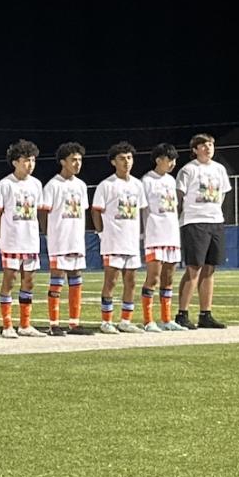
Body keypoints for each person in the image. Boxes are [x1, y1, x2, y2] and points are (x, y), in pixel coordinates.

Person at [91, 141, 147, 334]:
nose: (127, 162)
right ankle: (106, 321)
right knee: (111, 281)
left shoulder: (138, 185)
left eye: (129, 158)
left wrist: (141, 233)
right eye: (122, 159)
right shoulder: (106, 185)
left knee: (131, 281)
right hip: (113, 240)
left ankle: (125, 320)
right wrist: (100, 232)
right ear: (114, 162)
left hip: (131, 240)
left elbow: (141, 211)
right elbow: (96, 211)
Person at [175, 133, 230, 329]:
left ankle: (205, 314)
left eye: (210, 145)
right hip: (194, 221)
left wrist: (213, 212)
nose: (208, 148)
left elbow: (222, 194)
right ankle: (182, 313)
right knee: (194, 267)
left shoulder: (219, 169)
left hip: (215, 220)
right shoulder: (188, 170)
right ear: (195, 149)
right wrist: (180, 218)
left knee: (210, 268)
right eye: (203, 145)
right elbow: (178, 197)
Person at [0, 140, 46, 338]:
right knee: (10, 279)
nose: (30, 164)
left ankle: (25, 324)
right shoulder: (5, 184)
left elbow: (38, 212)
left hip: (30, 239)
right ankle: (7, 325)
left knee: (29, 281)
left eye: (32, 160)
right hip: (12, 239)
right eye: (25, 160)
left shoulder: (37, 184)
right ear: (15, 162)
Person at [40, 142, 90, 336]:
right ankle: (54, 324)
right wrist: (48, 234)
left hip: (76, 238)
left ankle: (74, 323)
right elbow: (43, 212)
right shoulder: (53, 185)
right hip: (59, 239)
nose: (77, 164)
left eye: (79, 160)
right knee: (58, 277)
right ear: (63, 162)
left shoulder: (81, 185)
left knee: (76, 276)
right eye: (73, 160)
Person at [140, 143, 184, 332]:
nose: (172, 163)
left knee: (169, 278)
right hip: (154, 234)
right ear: (158, 160)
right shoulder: (147, 181)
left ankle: (167, 319)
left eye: (174, 160)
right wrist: (141, 233)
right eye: (169, 159)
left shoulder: (171, 181)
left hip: (172, 234)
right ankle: (148, 320)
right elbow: (142, 209)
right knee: (153, 277)